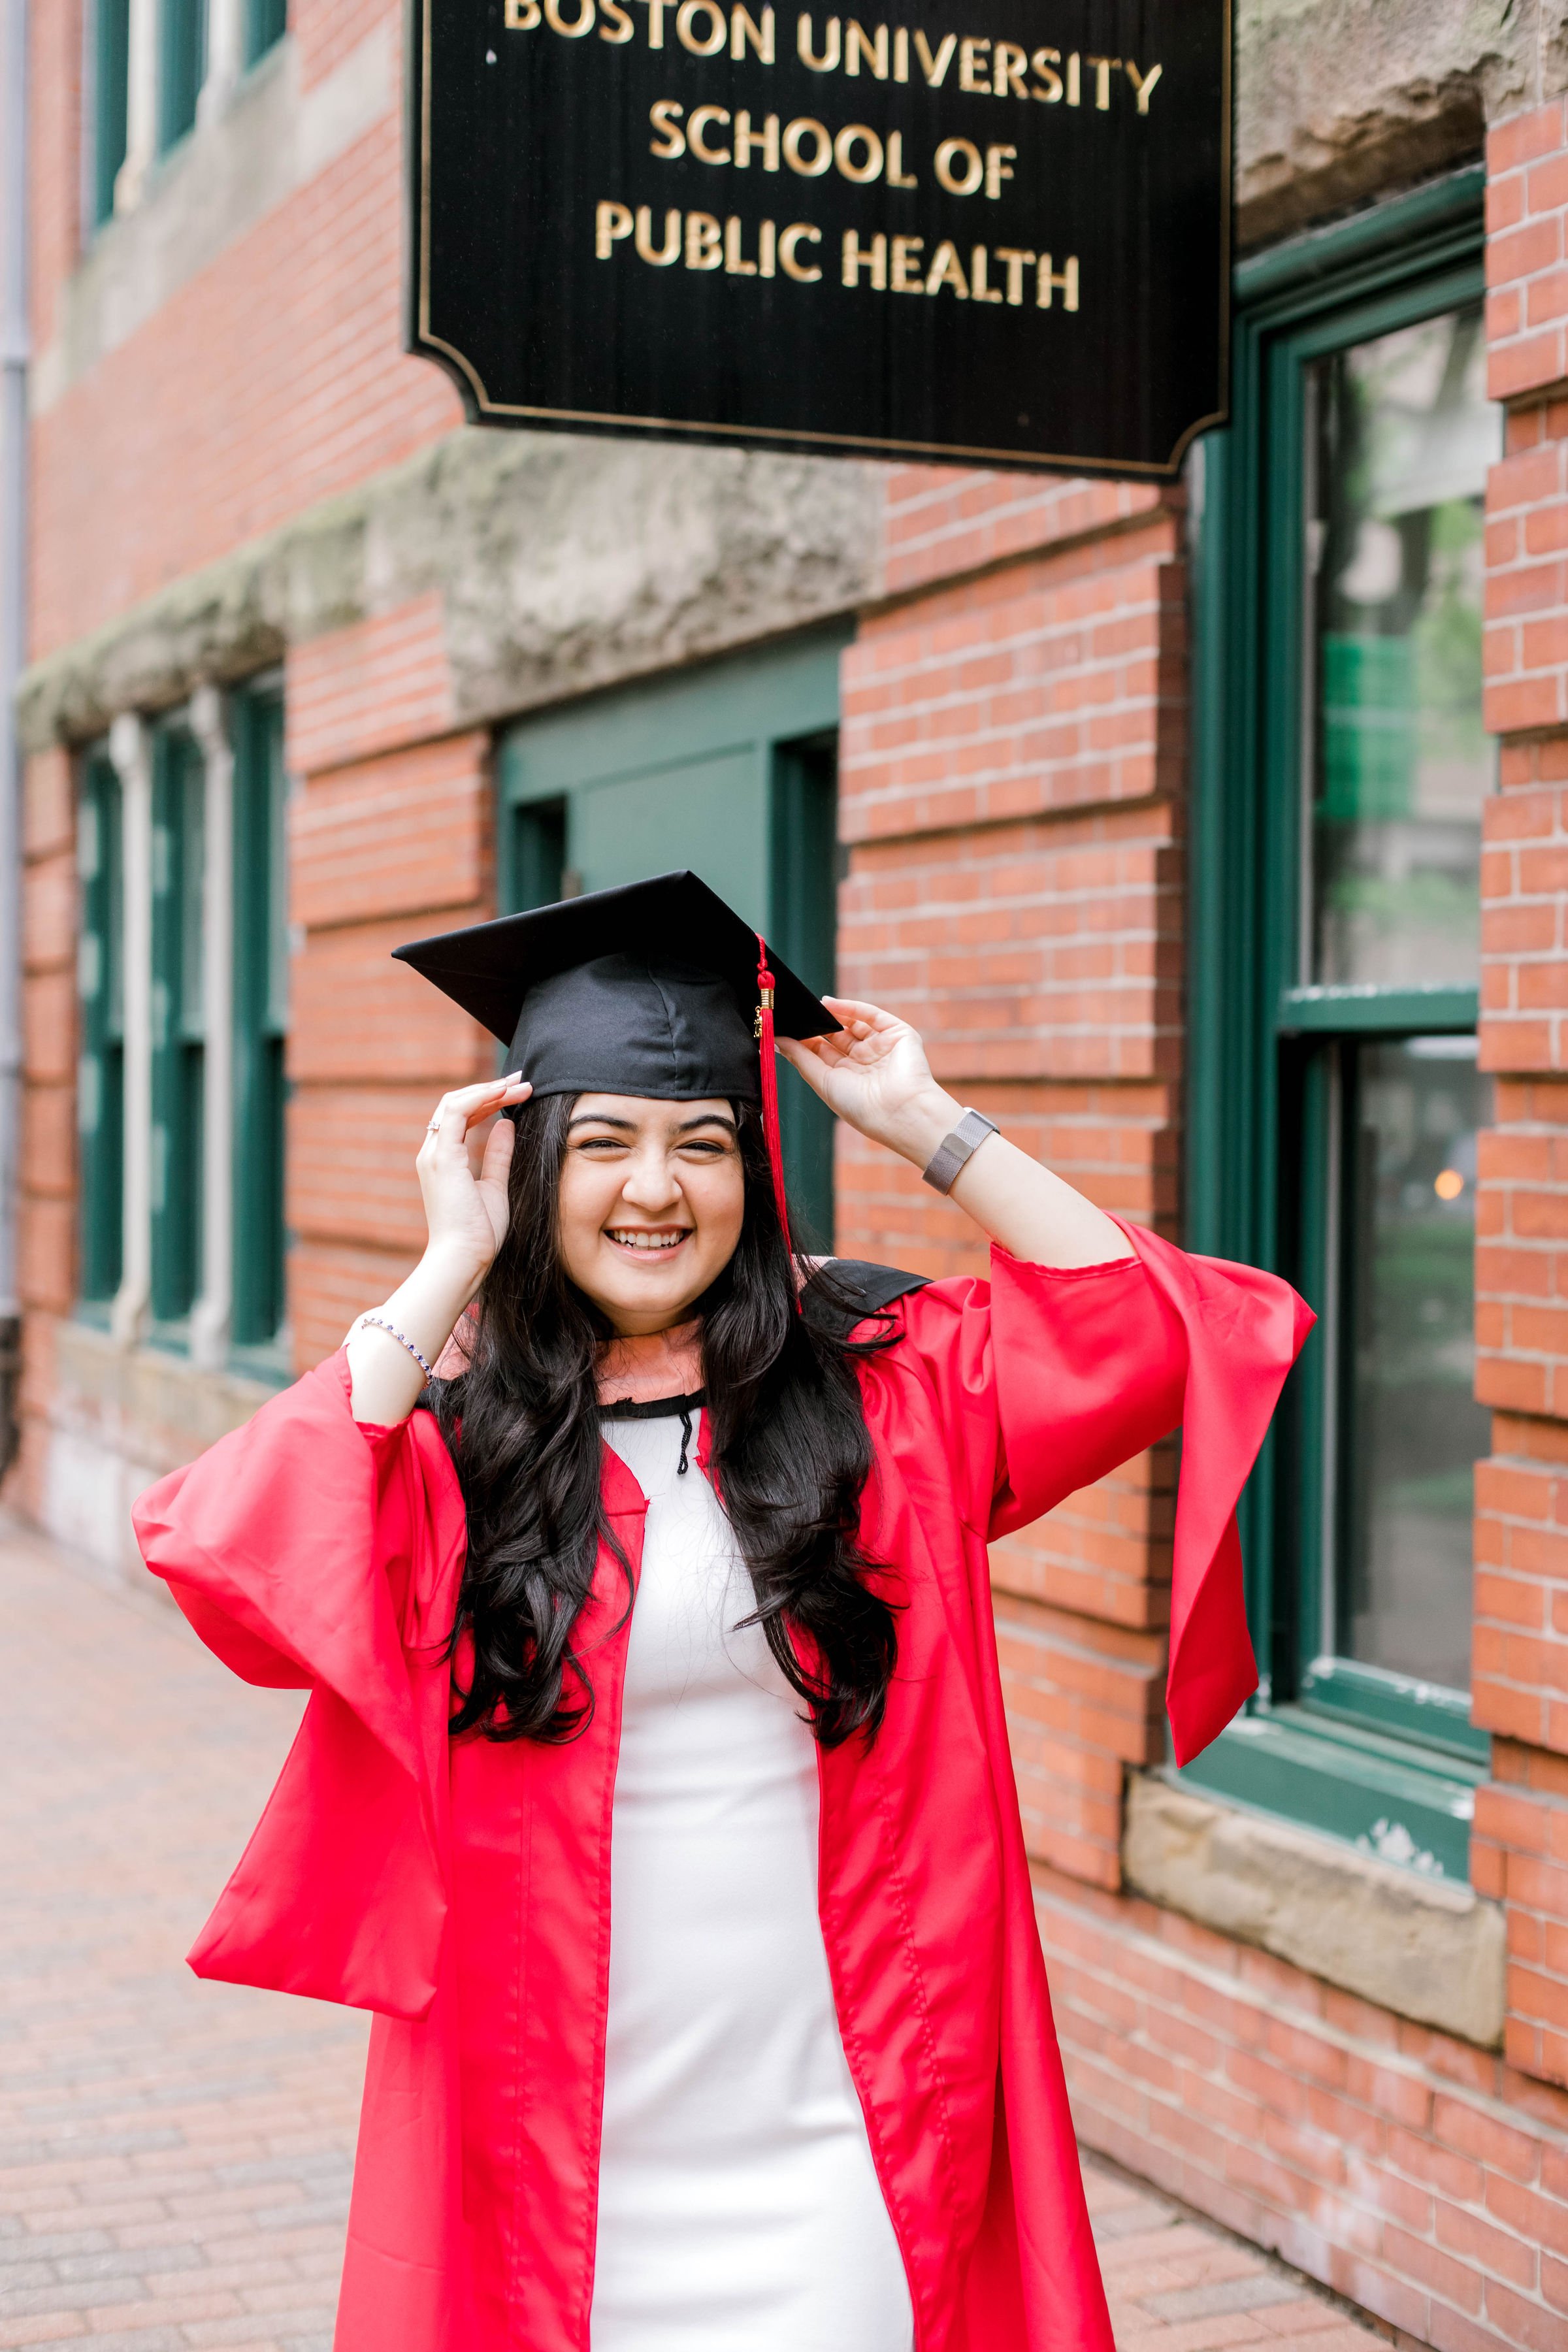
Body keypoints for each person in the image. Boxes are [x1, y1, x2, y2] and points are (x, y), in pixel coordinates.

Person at [135, 872, 1310, 2352]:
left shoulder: (883, 1394)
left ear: (753, 1173)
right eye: (606, 1143)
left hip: (846, 2106)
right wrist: (449, 1263)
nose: (654, 1189)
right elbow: (226, 1559)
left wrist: (924, 1123)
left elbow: (1150, 1335)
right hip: (549, 2121)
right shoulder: (451, 1446)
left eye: (704, 1145)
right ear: (533, 1163)